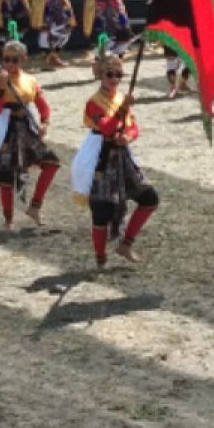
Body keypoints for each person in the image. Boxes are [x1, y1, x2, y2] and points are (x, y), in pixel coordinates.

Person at [72, 53, 158, 268]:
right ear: (100, 75)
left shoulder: (121, 98)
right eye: (110, 74)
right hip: (101, 155)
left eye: (118, 75)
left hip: (123, 156)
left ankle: (126, 244)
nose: (114, 79)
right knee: (101, 210)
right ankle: (100, 257)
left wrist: (127, 136)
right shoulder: (93, 103)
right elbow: (107, 128)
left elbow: (133, 126)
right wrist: (122, 110)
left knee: (149, 198)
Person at [0, 40, 60, 229]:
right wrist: (1, 88)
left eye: (15, 60)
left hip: (26, 127)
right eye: (6, 59)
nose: (10, 64)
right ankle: (8, 219)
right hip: (6, 128)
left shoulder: (30, 80)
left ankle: (35, 207)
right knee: (6, 175)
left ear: (23, 60)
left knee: (51, 163)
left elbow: (42, 105)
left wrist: (45, 122)